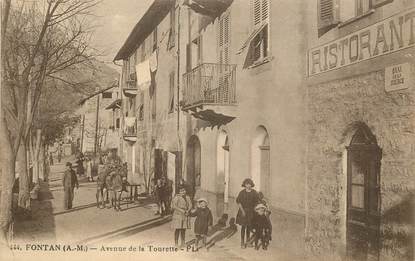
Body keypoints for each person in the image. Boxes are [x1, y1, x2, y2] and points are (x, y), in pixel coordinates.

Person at [236, 178, 259, 248]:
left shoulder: (254, 193)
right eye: (246, 184)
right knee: (243, 227)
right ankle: (242, 242)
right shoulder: (242, 193)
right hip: (243, 211)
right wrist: (242, 211)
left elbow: (256, 202)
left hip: (251, 212)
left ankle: (248, 241)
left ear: (251, 185)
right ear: (244, 185)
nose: (248, 185)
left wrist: (255, 209)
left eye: (249, 184)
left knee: (249, 227)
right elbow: (238, 202)